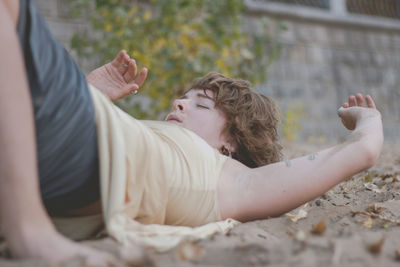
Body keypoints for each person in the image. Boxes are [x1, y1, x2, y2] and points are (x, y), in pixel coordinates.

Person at [0, 0, 383, 265]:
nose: (178, 105)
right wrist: (91, 94)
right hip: (59, 144)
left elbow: (363, 152)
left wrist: (367, 120)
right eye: (182, 99)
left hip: (73, 158)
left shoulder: (235, 182)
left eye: (201, 105)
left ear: (230, 143)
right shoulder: (162, 142)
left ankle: (26, 227)